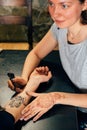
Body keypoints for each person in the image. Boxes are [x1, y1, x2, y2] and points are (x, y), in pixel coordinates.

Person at [8, 0, 87, 129]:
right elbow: (36, 53)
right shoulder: (60, 27)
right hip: (71, 105)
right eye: (51, 4)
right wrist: (24, 78)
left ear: (84, 4)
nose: (55, 13)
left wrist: (56, 97)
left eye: (64, 5)